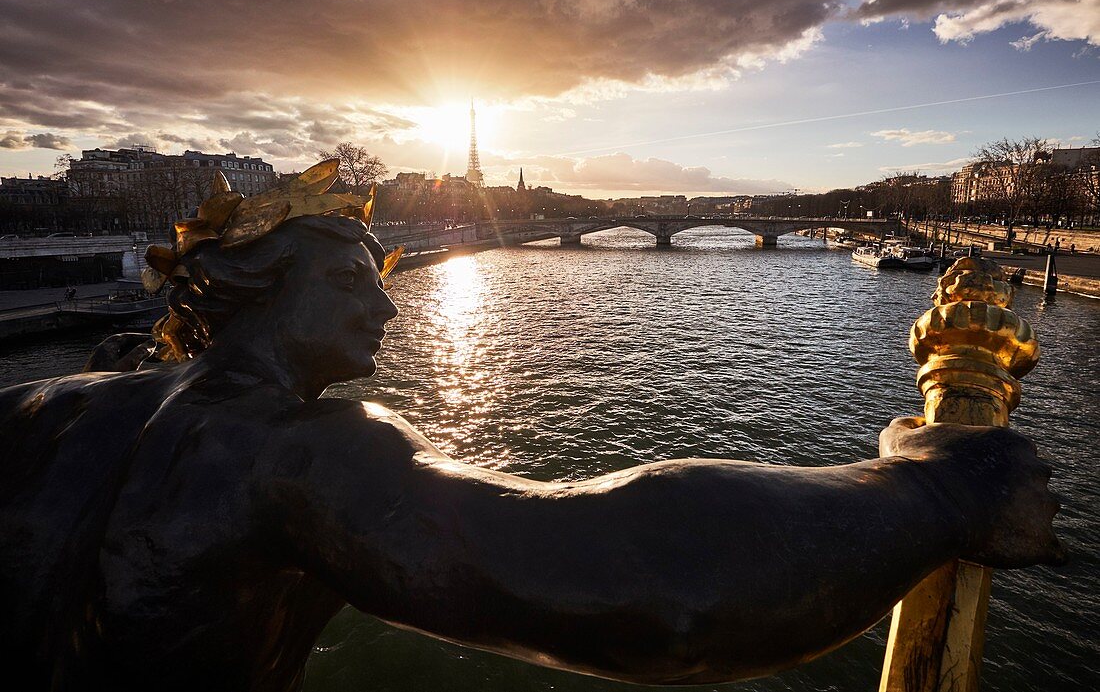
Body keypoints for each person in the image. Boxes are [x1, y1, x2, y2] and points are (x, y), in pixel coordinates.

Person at [0, 213, 1063, 692]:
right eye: (350, 278)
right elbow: (653, 584)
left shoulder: (49, 405)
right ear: (258, 288)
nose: (385, 303)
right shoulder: (298, 454)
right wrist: (930, 489)